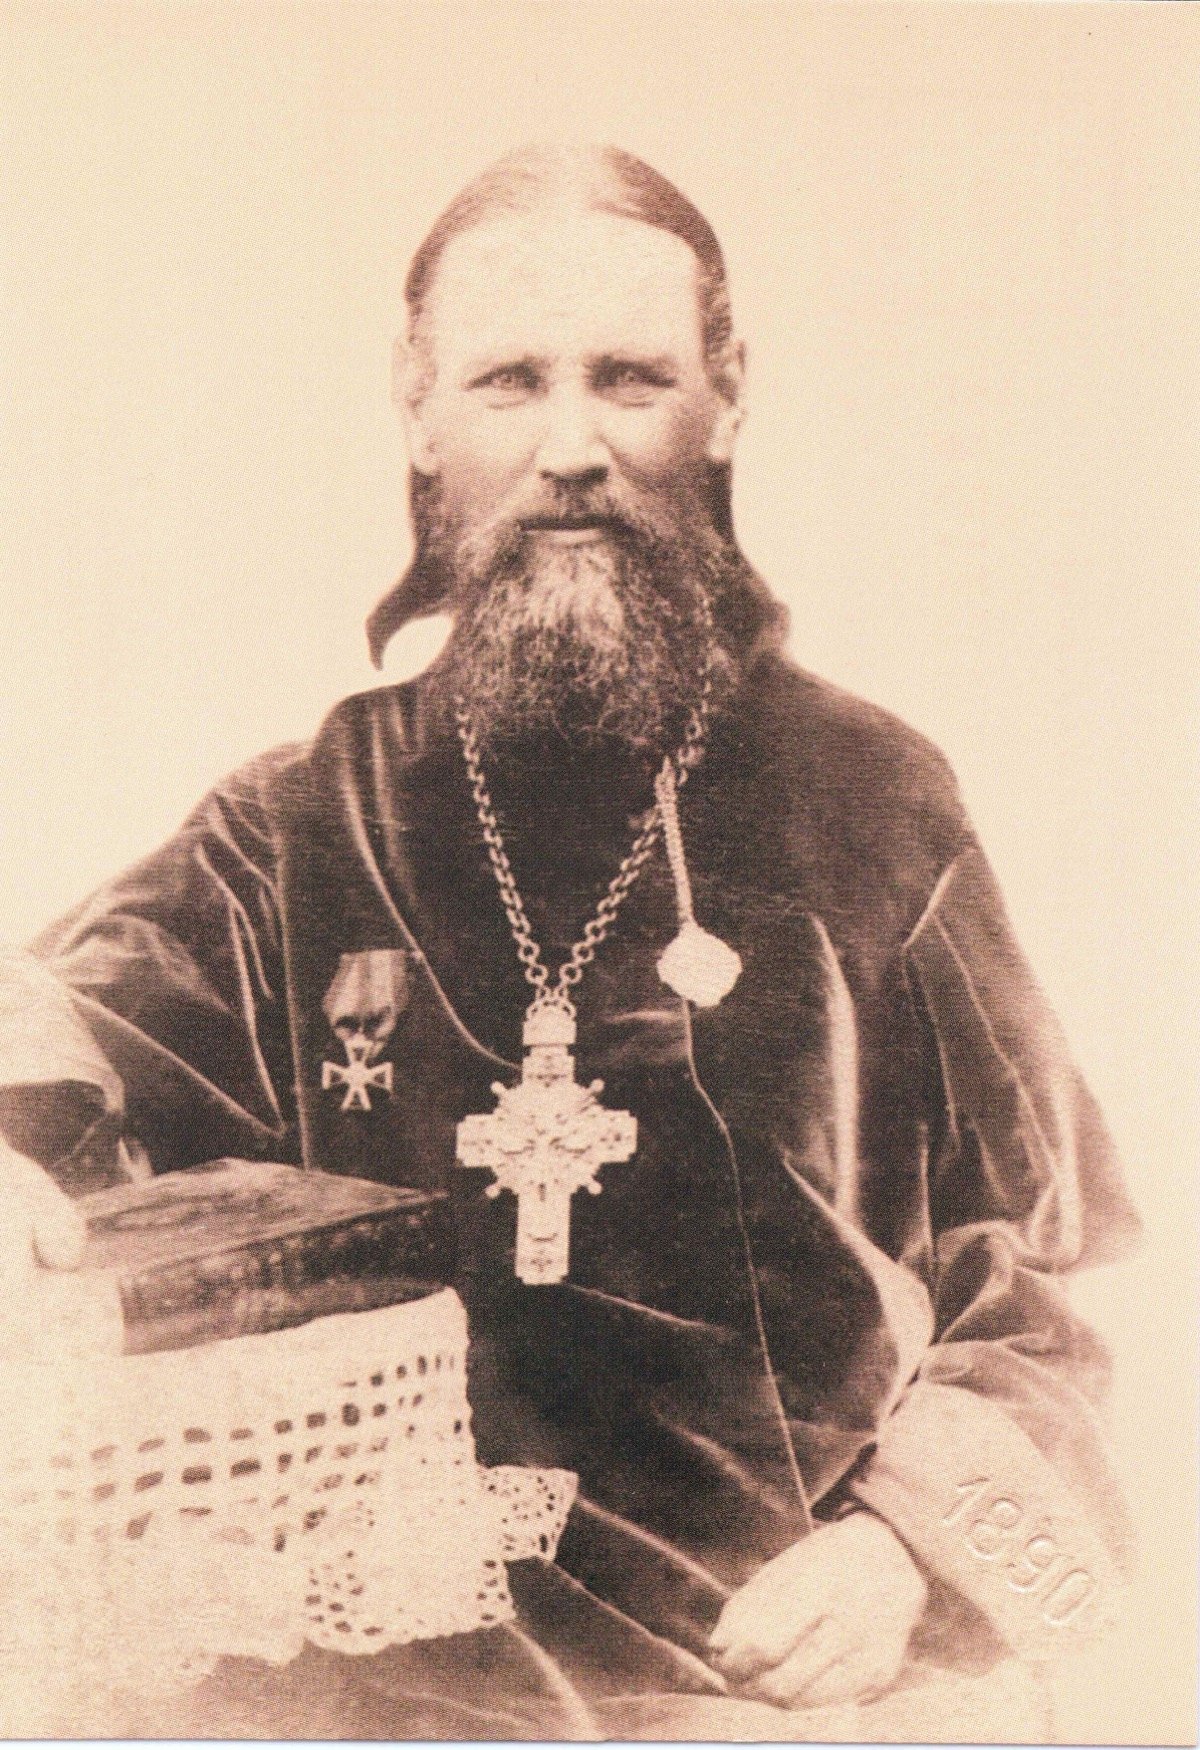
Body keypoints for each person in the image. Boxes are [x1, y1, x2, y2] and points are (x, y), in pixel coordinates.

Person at [0, 144, 1140, 1739]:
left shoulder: (877, 805)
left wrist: (904, 1553)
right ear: (417, 414)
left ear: (724, 400)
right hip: (369, 1687)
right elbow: (58, 1036)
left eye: (629, 379)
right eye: (508, 383)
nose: (572, 448)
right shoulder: (302, 821)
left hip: (774, 1677)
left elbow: (1050, 1285)